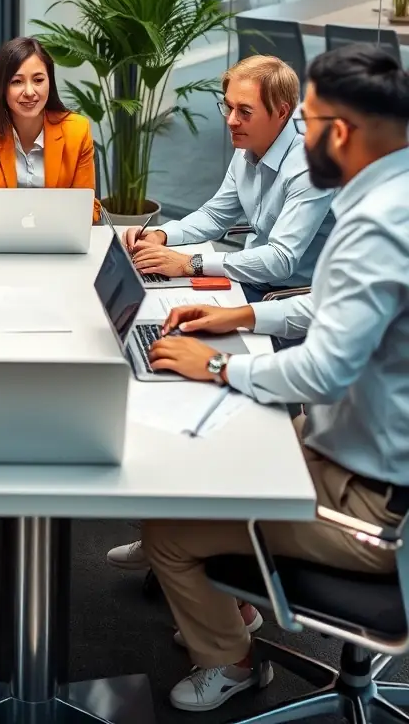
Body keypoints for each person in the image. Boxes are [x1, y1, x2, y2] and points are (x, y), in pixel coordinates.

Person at [138, 45, 409, 712]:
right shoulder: (393, 198)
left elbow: (323, 366)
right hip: (366, 446)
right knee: (207, 444)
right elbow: (329, 307)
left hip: (374, 507)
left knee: (166, 533)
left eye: (309, 122)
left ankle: (231, 663)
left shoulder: (375, 224)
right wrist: (243, 312)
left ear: (336, 132)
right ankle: (233, 605)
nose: (301, 136)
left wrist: (224, 363)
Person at [124, 55, 335, 302]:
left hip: (289, 298)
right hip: (247, 277)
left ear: (281, 112)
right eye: (228, 107)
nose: (231, 121)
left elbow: (280, 260)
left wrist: (190, 263)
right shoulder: (247, 148)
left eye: (244, 111)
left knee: (177, 321)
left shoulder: (310, 169)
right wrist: (163, 235)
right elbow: (215, 215)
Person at [0, 36, 100, 223]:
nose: (30, 92)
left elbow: (88, 209)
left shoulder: (77, 129)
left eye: (38, 80)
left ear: (50, 81)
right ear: (1, 86)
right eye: (17, 82)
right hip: (1, 240)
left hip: (57, 242)